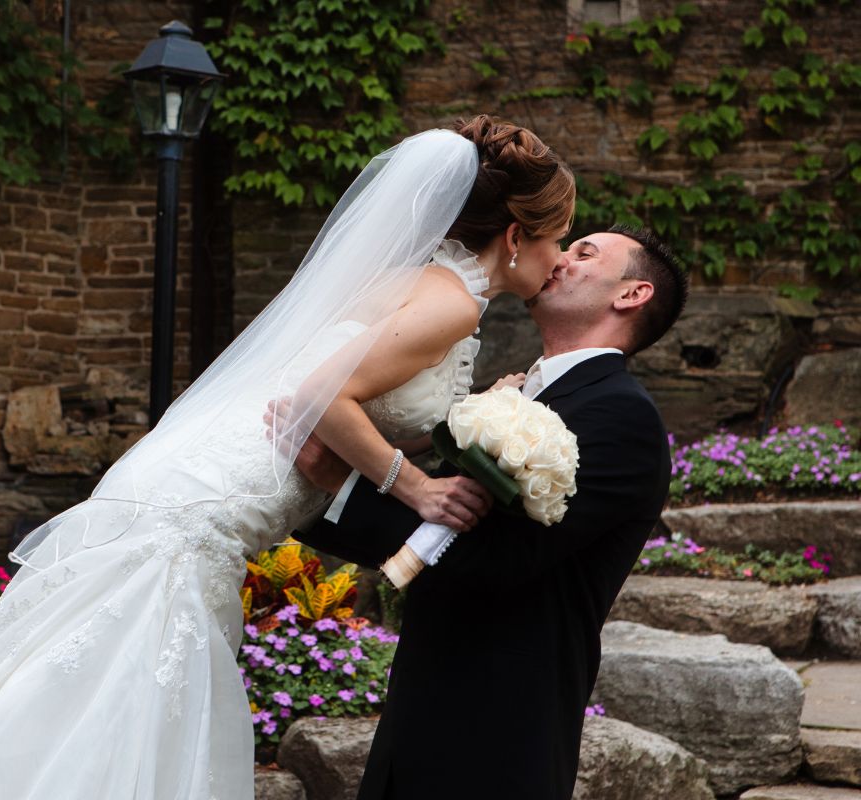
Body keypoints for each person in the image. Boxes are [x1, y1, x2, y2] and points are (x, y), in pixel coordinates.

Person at [0, 116, 575, 800]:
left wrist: (478, 412)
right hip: (212, 502)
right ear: (515, 236)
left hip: (194, 469)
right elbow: (322, 395)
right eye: (559, 239)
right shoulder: (452, 303)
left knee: (86, 686)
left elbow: (366, 400)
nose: (561, 258)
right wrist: (417, 488)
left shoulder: (417, 279)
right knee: (129, 697)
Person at [293, 224, 689, 800]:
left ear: (630, 295)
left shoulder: (621, 416)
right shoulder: (518, 398)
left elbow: (499, 558)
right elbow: (444, 516)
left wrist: (340, 486)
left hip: (500, 722)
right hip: (428, 692)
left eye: (584, 254)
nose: (558, 259)